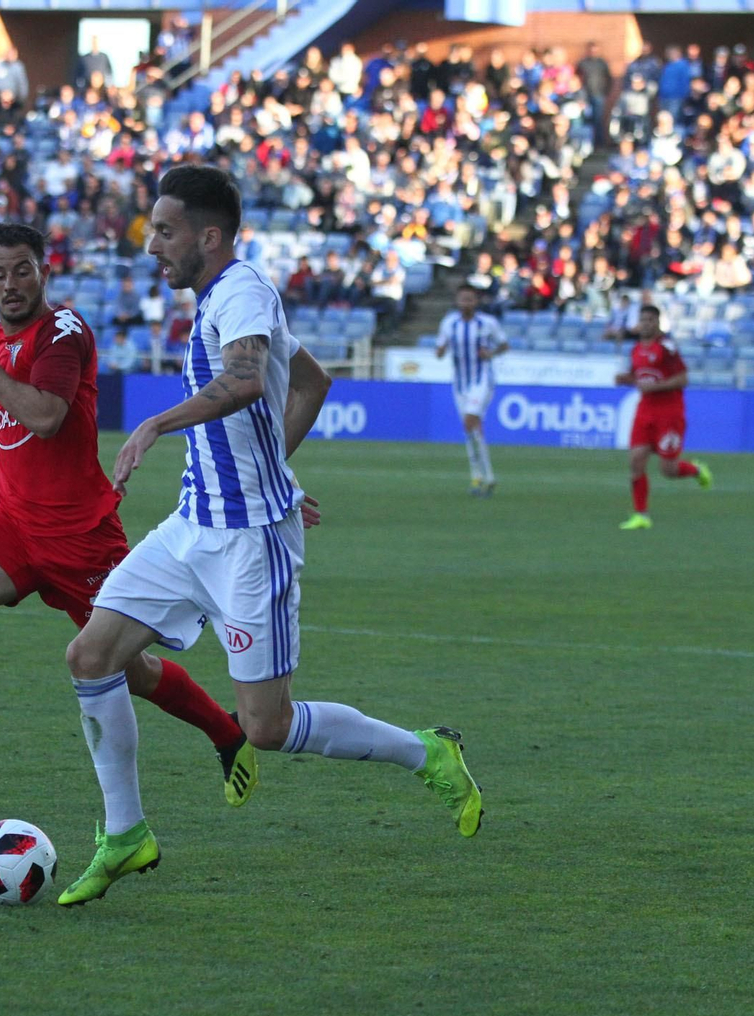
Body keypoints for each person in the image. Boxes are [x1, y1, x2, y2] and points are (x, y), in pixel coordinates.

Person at [58, 165, 483, 908]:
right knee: (92, 654)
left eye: (165, 231)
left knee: (266, 726)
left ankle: (428, 751)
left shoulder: (244, 290)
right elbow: (313, 381)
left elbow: (251, 378)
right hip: (192, 525)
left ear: (208, 236)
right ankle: (126, 834)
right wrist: (270, 468)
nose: (151, 244)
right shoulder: (220, 296)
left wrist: (160, 423)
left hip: (249, 543)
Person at [0, 222, 262, 811]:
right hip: (15, 521)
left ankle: (228, 733)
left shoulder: (63, 330)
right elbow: (16, 413)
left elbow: (45, 417)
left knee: (131, 670)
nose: (10, 284)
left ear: (45, 270)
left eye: (22, 269)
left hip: (78, 535)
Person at [614, 304, 712, 531]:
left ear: (658, 323)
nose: (646, 324)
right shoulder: (636, 349)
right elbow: (639, 377)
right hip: (645, 411)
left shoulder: (667, 348)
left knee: (668, 470)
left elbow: (683, 379)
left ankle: (696, 470)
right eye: (643, 320)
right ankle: (641, 515)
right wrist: (625, 379)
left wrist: (657, 387)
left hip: (669, 413)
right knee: (636, 460)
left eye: (650, 320)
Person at [434, 284, 507, 496]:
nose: (466, 303)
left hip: (482, 380)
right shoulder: (449, 324)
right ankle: (481, 476)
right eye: (463, 299)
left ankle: (484, 475)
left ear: (476, 302)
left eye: (470, 299)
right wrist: (440, 350)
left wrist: (490, 354)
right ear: (457, 302)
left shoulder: (488, 323)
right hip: (460, 383)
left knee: (469, 421)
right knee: (471, 429)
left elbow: (504, 345)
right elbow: (440, 349)